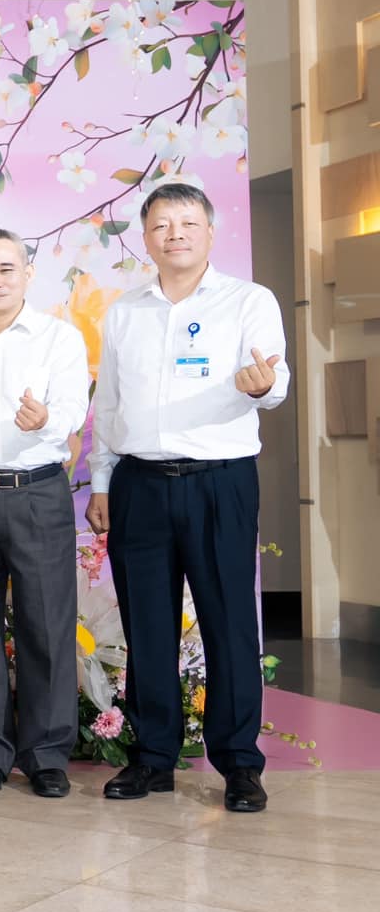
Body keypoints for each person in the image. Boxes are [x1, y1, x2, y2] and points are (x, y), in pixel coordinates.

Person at [88, 183, 286, 814]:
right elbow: (109, 404)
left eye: (188, 223)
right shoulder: (125, 311)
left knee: (230, 624)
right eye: (162, 224)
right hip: (139, 484)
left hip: (219, 482)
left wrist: (262, 386)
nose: (175, 233)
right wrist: (101, 481)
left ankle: (240, 764)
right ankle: (153, 758)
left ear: (210, 232)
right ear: (146, 238)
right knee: (147, 626)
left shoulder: (247, 300)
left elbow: (274, 379)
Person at [0, 230, 91, 799]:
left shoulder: (59, 338)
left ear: (28, 273)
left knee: (46, 623)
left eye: (6, 269)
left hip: (37, 491)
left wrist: (46, 420)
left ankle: (47, 754)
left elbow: (73, 407)